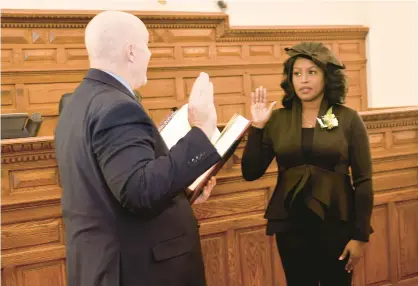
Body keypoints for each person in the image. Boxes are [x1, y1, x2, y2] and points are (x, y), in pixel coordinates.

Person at [55, 10, 220, 286]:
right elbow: (140, 192)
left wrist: (181, 192)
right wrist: (202, 131)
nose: (149, 54)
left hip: (101, 265)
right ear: (131, 51)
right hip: (137, 270)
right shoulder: (118, 108)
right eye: (147, 45)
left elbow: (110, 189)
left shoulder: (75, 105)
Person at [241, 42, 374, 286]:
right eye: (297, 73)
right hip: (291, 226)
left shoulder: (348, 118)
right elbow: (251, 172)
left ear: (326, 77)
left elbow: (364, 181)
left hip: (337, 223)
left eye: (312, 72)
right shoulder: (278, 119)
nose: (303, 79)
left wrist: (360, 236)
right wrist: (258, 127)